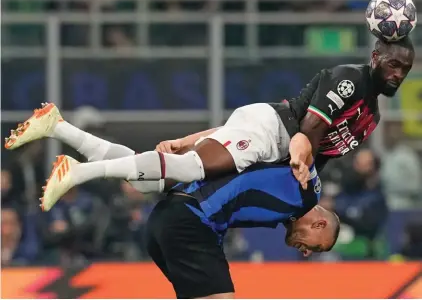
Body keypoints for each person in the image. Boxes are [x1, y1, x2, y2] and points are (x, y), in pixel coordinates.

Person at [5, 38, 415, 211]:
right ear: (376, 58)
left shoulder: (372, 117)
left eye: (406, 69)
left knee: (151, 180)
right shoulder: (351, 79)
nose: (398, 74)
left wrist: (189, 138)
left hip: (259, 134)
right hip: (272, 131)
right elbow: (306, 134)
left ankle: (58, 126)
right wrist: (301, 167)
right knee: (192, 169)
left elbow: (312, 154)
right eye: (393, 64)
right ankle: (77, 172)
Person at [145, 133, 339, 299]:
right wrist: (183, 142)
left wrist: (185, 143)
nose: (307, 252)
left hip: (166, 218)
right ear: (319, 225)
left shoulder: (287, 214)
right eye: (317, 247)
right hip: (188, 219)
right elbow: (302, 137)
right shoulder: (308, 192)